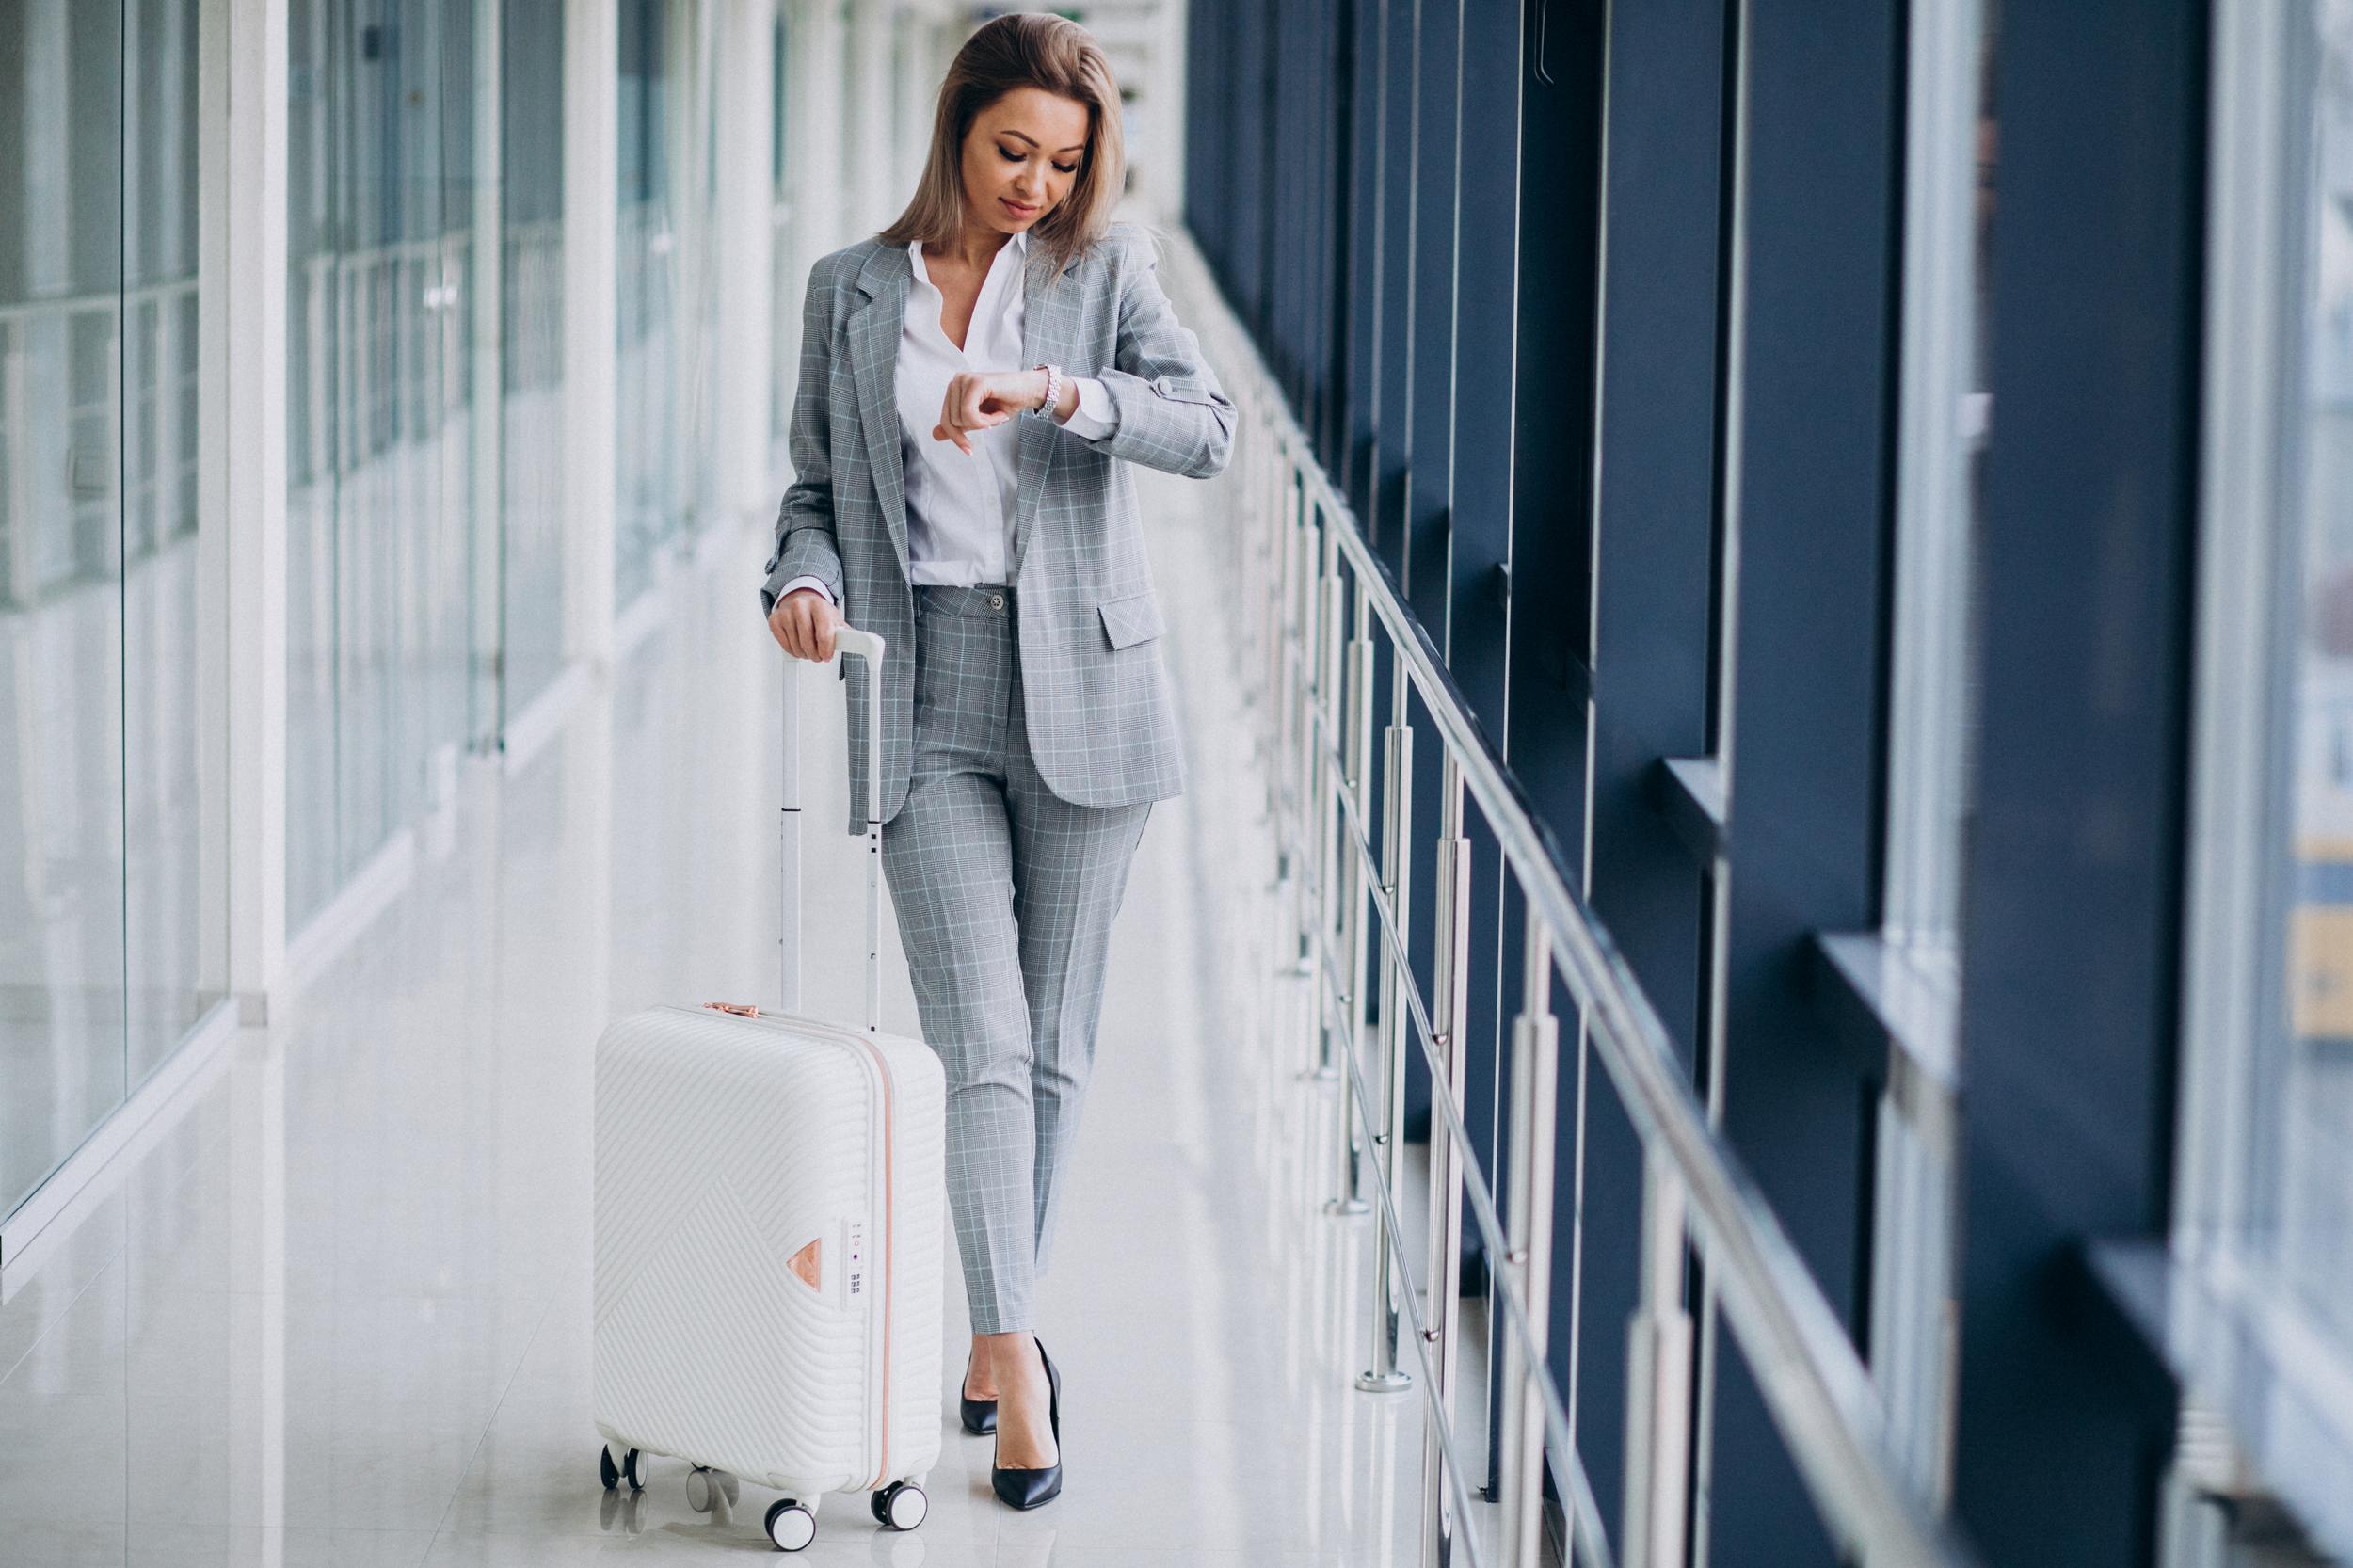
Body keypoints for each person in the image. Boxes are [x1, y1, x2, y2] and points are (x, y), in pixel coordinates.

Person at [760, 12, 1234, 1512]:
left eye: (1065, 160)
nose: (1035, 183)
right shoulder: (851, 291)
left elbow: (1208, 427)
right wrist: (798, 584)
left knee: (1059, 1044)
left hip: (1089, 688)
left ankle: (989, 1327)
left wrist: (1052, 393)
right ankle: (1016, 1359)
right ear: (955, 128)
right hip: (922, 694)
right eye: (1011, 149)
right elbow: (816, 491)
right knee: (987, 1042)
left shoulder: (1106, 277)